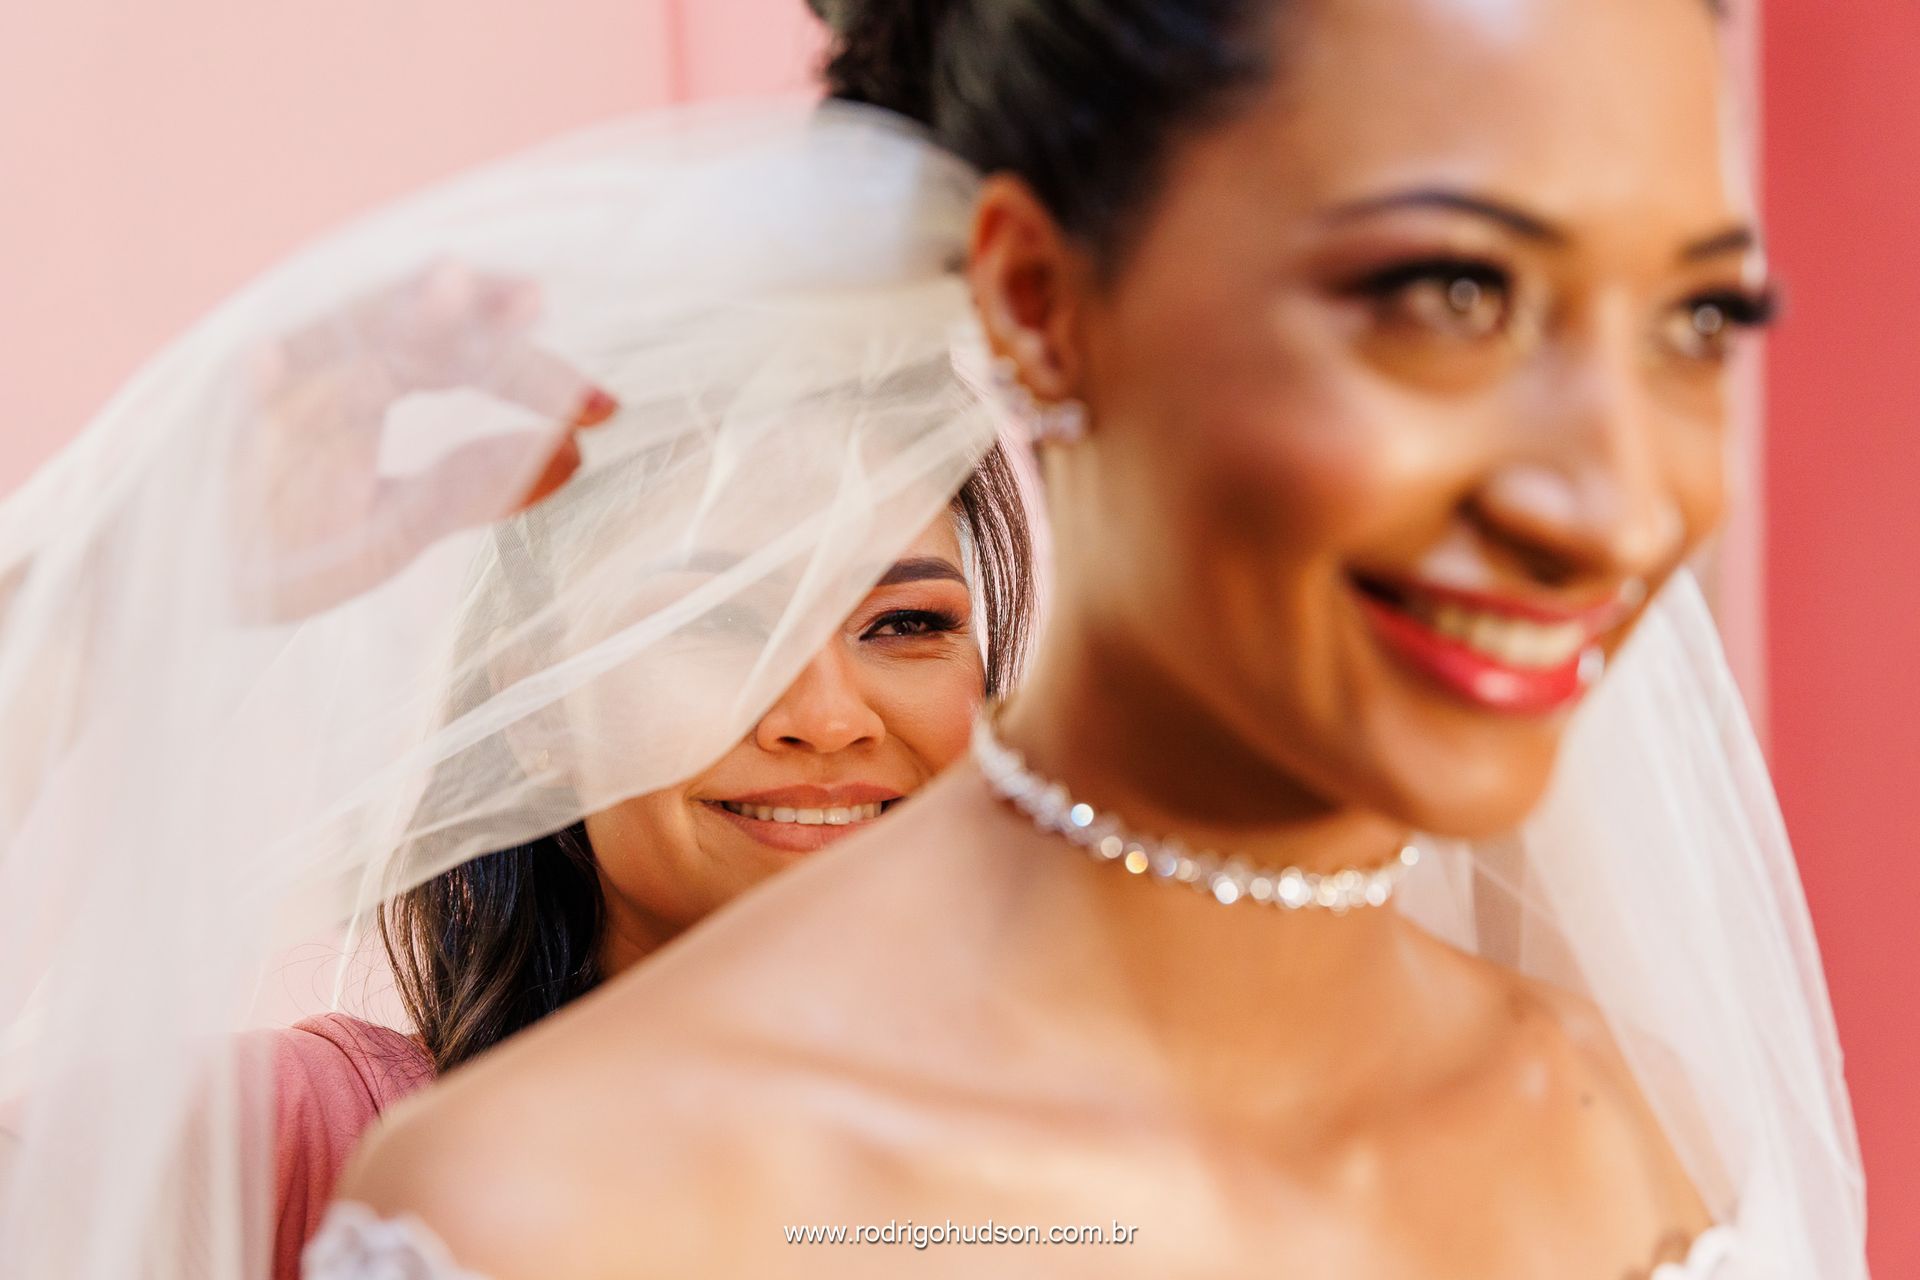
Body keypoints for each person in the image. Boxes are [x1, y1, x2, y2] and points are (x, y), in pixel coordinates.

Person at [316, 0, 1866, 1278]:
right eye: (1446, 294)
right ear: (1039, 301)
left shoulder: (1641, 1143)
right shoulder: (567, 1211)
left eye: (1696, 322)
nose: (1609, 503)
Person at [266, 447, 1031, 1280]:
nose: (829, 717)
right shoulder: (298, 1135)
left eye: (906, 623)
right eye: (714, 620)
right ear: (538, 712)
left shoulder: (1106, 1164)